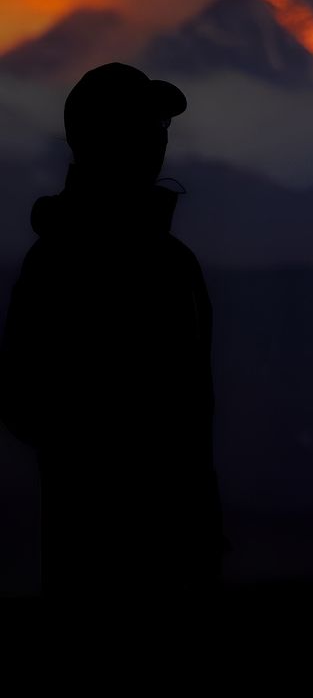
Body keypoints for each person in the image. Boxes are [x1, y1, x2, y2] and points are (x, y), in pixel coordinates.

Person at [0, 62, 225, 598]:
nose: (159, 140)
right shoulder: (142, 264)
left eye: (160, 127)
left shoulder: (156, 262)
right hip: (114, 558)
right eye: (147, 125)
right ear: (107, 138)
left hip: (119, 552)